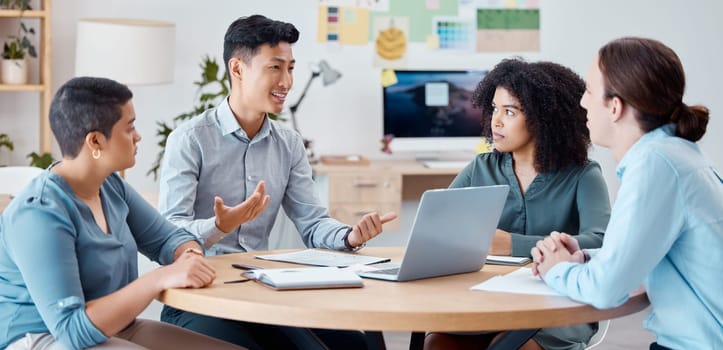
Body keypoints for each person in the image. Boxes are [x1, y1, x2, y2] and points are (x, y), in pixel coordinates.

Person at [158, 14, 396, 350]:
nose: (286, 81)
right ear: (237, 69)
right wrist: (219, 226)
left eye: (291, 68)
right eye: (275, 68)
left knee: (355, 345)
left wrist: (349, 235)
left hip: (259, 292)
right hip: (200, 297)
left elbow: (312, 223)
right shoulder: (190, 139)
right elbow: (169, 236)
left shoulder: (288, 144)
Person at [0, 77, 242, 350]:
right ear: (95, 141)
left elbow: (167, 239)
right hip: (44, 337)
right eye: (130, 128)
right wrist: (159, 278)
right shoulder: (39, 213)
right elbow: (71, 330)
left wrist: (189, 258)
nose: (138, 136)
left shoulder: (111, 186)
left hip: (114, 327)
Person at [531, 37, 723, 350]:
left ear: (615, 106)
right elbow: (644, 255)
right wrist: (582, 258)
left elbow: (606, 289)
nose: (582, 103)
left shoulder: (655, 164)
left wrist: (557, 270)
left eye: (590, 91)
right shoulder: (677, 154)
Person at [425, 59, 611, 350]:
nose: (494, 121)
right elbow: (436, 226)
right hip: (486, 297)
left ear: (543, 119)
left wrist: (512, 244)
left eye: (509, 112)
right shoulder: (480, 167)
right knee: (439, 343)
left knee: (513, 346)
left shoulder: (583, 175)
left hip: (558, 300)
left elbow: (599, 240)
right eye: (494, 109)